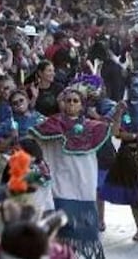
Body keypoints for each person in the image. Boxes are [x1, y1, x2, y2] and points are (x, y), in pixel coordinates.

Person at [30, 86, 114, 259]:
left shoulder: (93, 127)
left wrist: (119, 113)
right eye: (68, 100)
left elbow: (113, 130)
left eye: (75, 101)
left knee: (84, 235)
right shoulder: (52, 124)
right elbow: (34, 139)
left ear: (82, 105)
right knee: (60, 235)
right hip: (61, 187)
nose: (71, 104)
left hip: (84, 188)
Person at [99, 69, 138, 242]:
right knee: (134, 195)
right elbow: (114, 132)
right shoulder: (121, 106)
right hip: (128, 154)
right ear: (128, 86)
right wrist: (120, 115)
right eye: (135, 85)